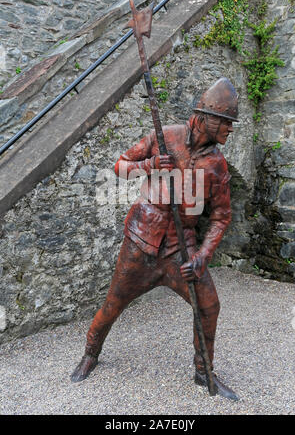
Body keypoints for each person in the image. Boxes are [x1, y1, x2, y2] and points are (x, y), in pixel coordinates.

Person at [71, 77, 239, 400]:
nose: (230, 130)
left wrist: (202, 256)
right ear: (208, 118)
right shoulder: (166, 137)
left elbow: (221, 216)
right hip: (141, 241)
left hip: (181, 248)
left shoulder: (217, 165)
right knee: (114, 303)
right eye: (227, 123)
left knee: (209, 305)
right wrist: (149, 165)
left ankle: (204, 371)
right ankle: (91, 352)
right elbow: (119, 166)